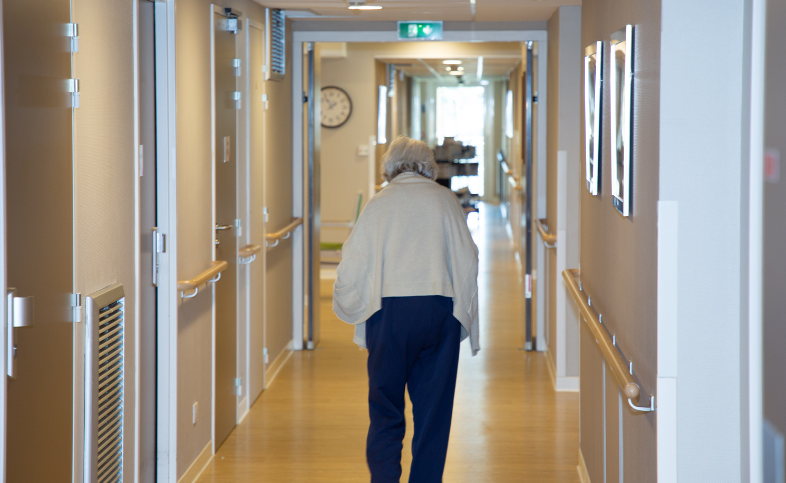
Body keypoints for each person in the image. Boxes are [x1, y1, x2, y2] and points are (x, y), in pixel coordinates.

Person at [333, 136, 480, 483]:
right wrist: (464, 315)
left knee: (385, 410)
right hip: (438, 312)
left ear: (389, 166)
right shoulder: (445, 200)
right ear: (429, 165)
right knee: (433, 414)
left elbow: (352, 264)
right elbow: (469, 258)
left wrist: (350, 304)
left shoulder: (379, 203)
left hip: (390, 316)